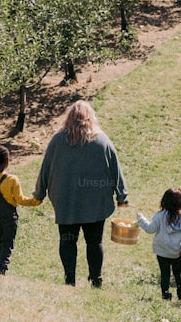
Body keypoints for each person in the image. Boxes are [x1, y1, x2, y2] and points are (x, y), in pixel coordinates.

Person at [34, 100, 129, 287]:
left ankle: (70, 279)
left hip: (66, 202)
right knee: (94, 242)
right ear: (90, 118)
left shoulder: (57, 141)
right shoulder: (101, 141)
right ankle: (96, 278)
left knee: (68, 242)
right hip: (95, 205)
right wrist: (122, 196)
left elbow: (45, 168)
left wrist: (39, 193)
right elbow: (115, 169)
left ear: (68, 118)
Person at [0, 144, 41, 274]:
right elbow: (20, 200)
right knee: (8, 241)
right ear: (7, 161)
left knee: (2, 238)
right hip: (9, 215)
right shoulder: (12, 179)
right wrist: (35, 201)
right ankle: (2, 266)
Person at [137, 187, 181, 302]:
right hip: (176, 252)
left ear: (163, 201)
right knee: (178, 273)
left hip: (162, 252)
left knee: (165, 274)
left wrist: (141, 219)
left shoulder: (159, 216)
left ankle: (166, 294)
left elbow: (150, 228)